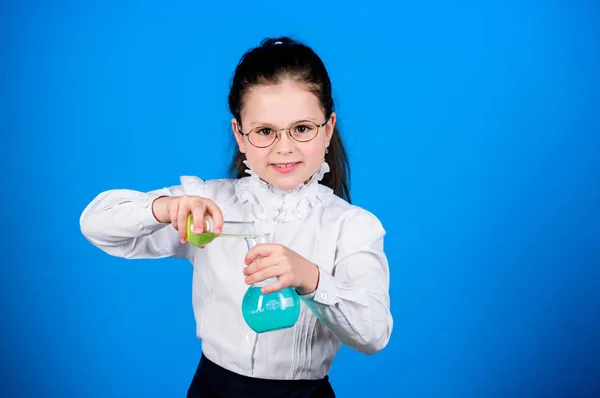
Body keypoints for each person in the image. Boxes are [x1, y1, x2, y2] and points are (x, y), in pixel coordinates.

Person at [80, 36, 393, 398]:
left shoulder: (352, 227)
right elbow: (96, 224)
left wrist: (309, 277)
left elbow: (373, 335)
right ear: (239, 135)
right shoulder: (207, 204)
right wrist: (164, 208)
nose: (284, 147)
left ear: (328, 128)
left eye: (302, 128)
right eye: (264, 131)